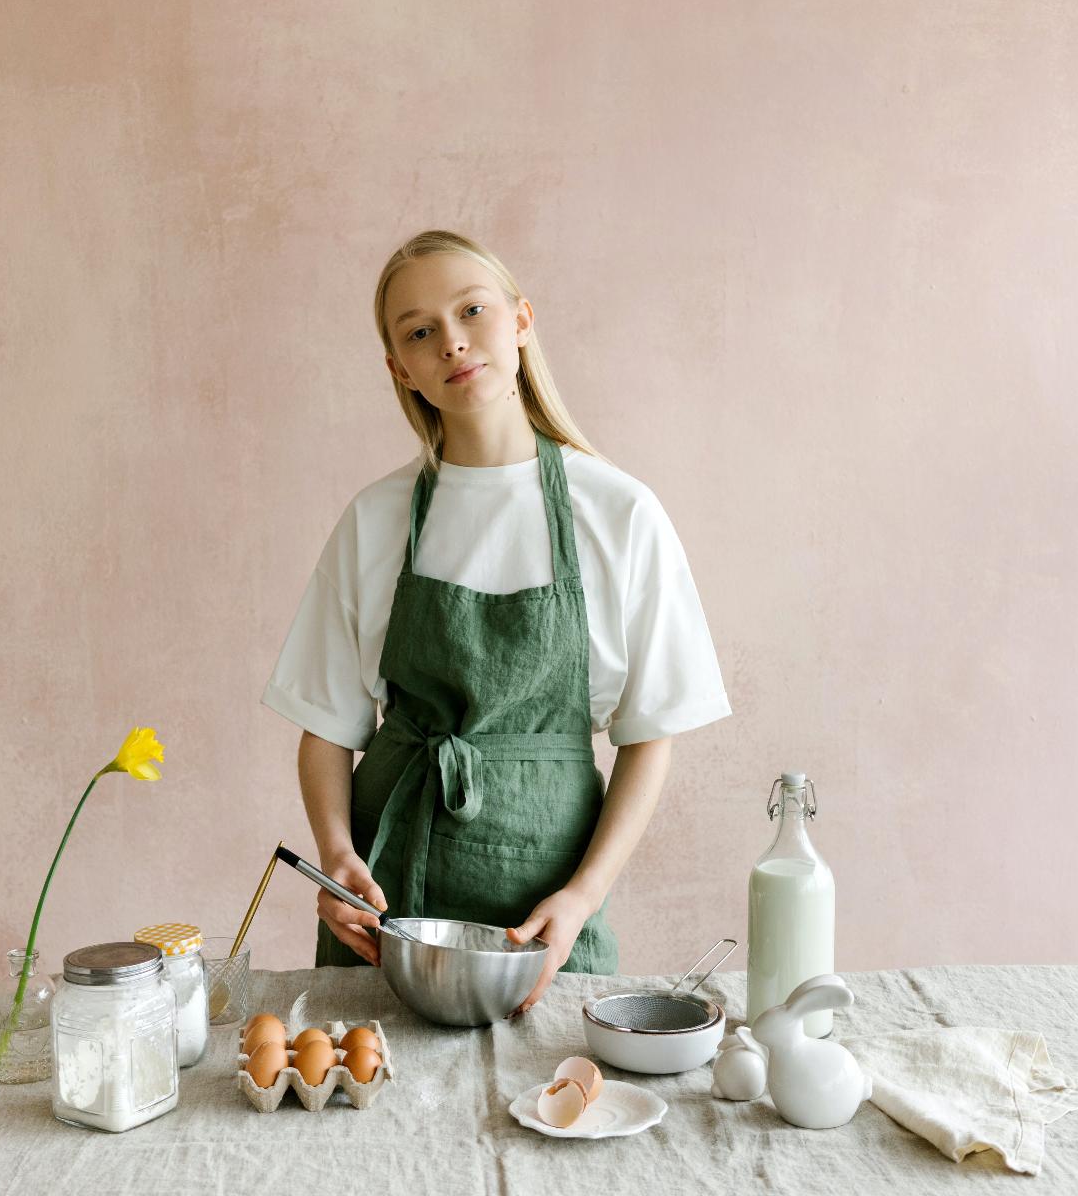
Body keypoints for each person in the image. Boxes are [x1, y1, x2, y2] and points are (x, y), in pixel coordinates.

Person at [262, 229, 731, 1014]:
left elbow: (652, 735)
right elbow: (327, 724)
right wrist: (337, 857)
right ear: (398, 368)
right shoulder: (376, 519)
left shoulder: (620, 513)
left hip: (541, 915)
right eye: (418, 332)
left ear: (520, 320)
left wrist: (581, 899)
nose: (451, 341)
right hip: (389, 909)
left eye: (471, 311)